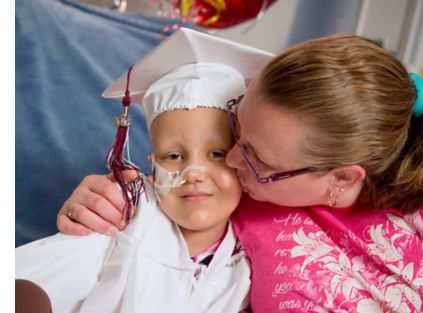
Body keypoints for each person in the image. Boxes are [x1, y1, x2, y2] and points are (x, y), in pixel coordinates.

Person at [56, 32, 423, 312]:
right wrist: (99, 205)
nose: (232, 161)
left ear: (342, 179)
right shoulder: (233, 195)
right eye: (236, 127)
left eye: (260, 161)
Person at [16, 28, 273, 313]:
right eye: (174, 156)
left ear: (243, 160)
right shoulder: (122, 222)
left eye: (217, 154)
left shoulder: (252, 262)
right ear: (152, 166)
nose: (194, 173)